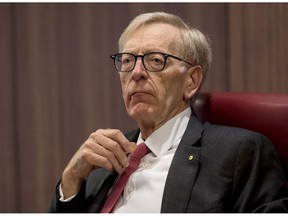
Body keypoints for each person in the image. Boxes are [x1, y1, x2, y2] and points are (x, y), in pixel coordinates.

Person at [49, 11, 288, 213]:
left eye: (155, 60)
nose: (136, 72)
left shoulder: (239, 153)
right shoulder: (103, 162)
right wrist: (71, 181)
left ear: (191, 81)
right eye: (127, 60)